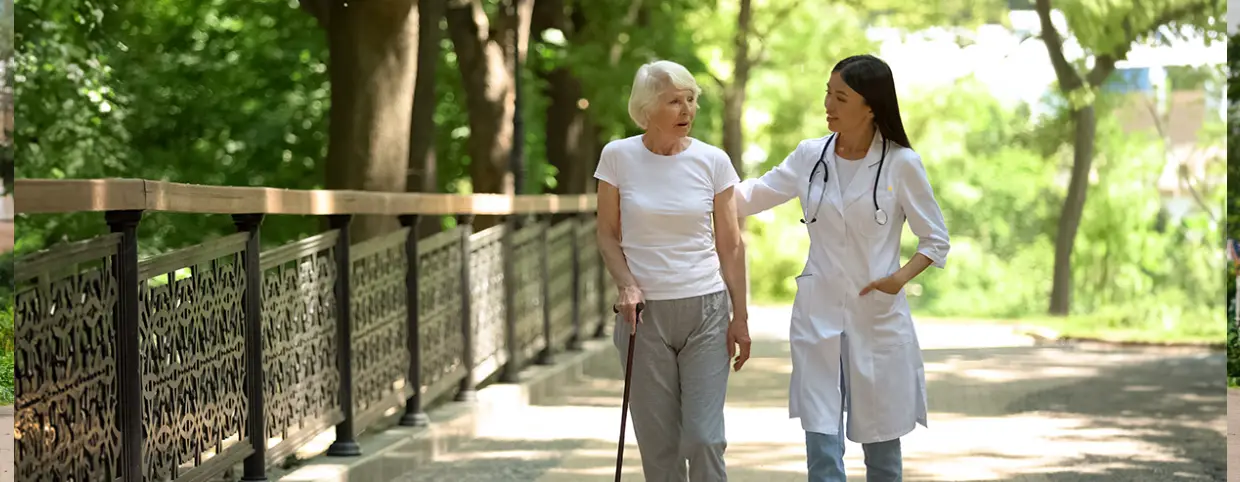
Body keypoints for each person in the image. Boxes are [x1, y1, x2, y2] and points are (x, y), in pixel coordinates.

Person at [734, 54, 950, 481]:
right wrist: (697, 185)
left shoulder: (901, 163)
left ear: (870, 106)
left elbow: (935, 239)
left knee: (882, 446)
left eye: (840, 97)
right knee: (822, 447)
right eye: (827, 94)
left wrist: (898, 279)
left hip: (877, 315)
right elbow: (751, 196)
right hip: (818, 311)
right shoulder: (810, 156)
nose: (828, 105)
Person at [595, 59, 752, 481]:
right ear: (647, 109)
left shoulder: (713, 161)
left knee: (703, 438)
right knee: (659, 447)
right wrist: (626, 285)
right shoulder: (617, 157)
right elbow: (607, 234)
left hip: (705, 309)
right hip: (643, 317)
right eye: (674, 102)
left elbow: (731, 244)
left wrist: (741, 316)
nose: (686, 110)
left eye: (691, 100)